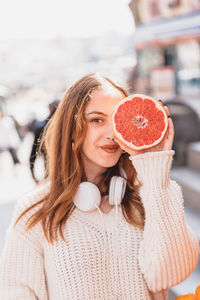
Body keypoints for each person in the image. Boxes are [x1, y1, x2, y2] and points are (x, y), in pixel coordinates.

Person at [0, 73, 199, 300]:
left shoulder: (148, 195)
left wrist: (155, 172)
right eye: (97, 120)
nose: (112, 134)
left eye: (118, 121)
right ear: (73, 128)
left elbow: (171, 275)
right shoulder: (35, 211)